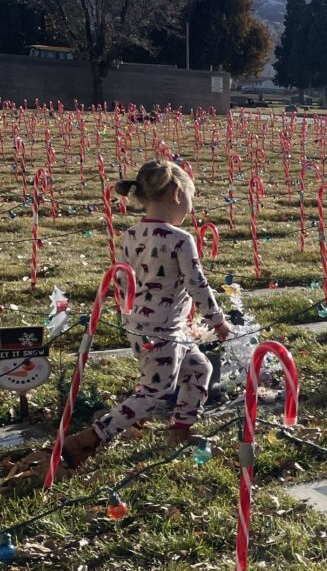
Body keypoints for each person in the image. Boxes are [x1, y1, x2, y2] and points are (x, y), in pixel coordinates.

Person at [7, 161, 230, 484]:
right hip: (163, 332)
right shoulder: (181, 239)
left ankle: (181, 430)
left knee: (199, 369)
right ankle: (90, 439)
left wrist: (139, 316)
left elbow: (124, 281)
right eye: (191, 198)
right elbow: (197, 284)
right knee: (154, 392)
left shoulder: (130, 234)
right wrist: (218, 323)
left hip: (144, 325)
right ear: (177, 193)